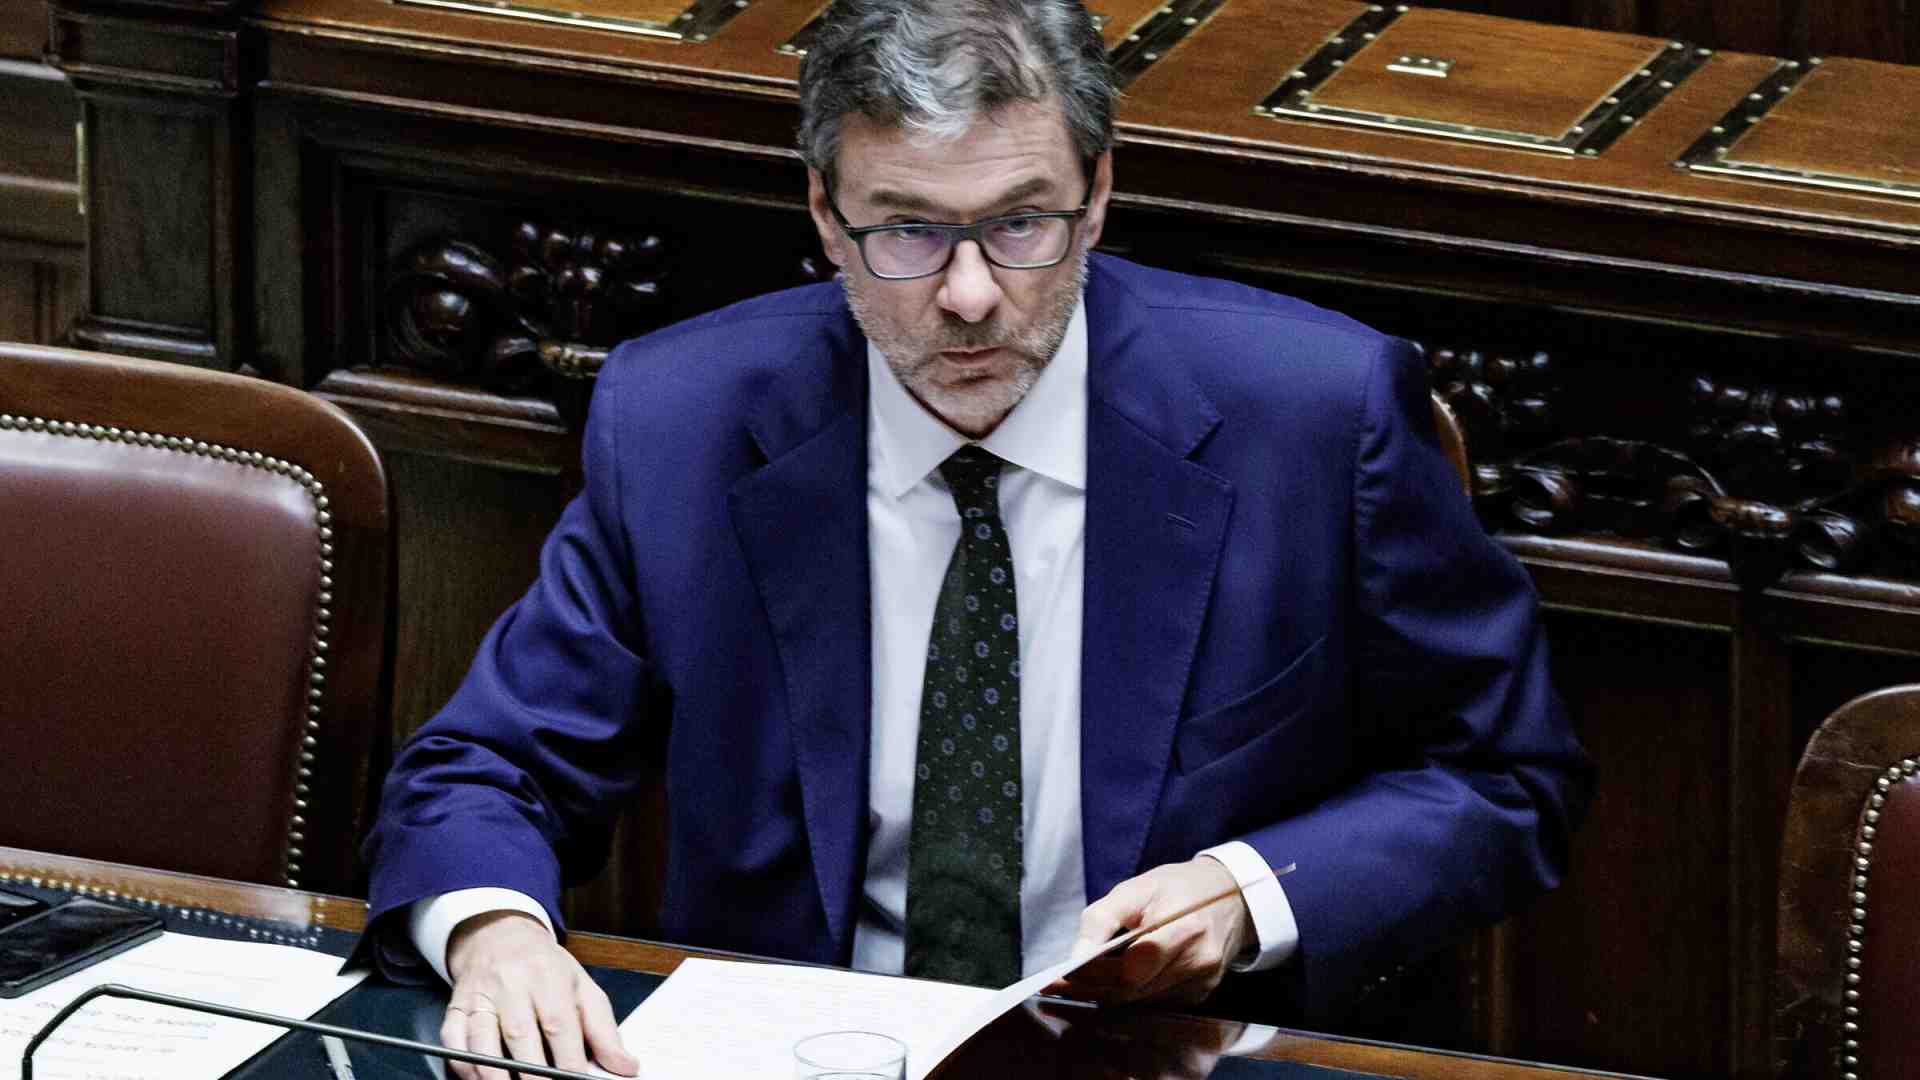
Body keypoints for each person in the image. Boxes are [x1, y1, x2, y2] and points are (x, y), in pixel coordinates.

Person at [359, 1, 1592, 1076]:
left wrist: (1250, 894)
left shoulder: (1316, 419)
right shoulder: (681, 422)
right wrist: (497, 935)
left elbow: (1504, 776)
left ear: (1098, 197)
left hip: (1169, 1057)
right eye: (906, 231)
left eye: (1020, 224)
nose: (968, 296)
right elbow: (486, 765)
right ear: (825, 214)